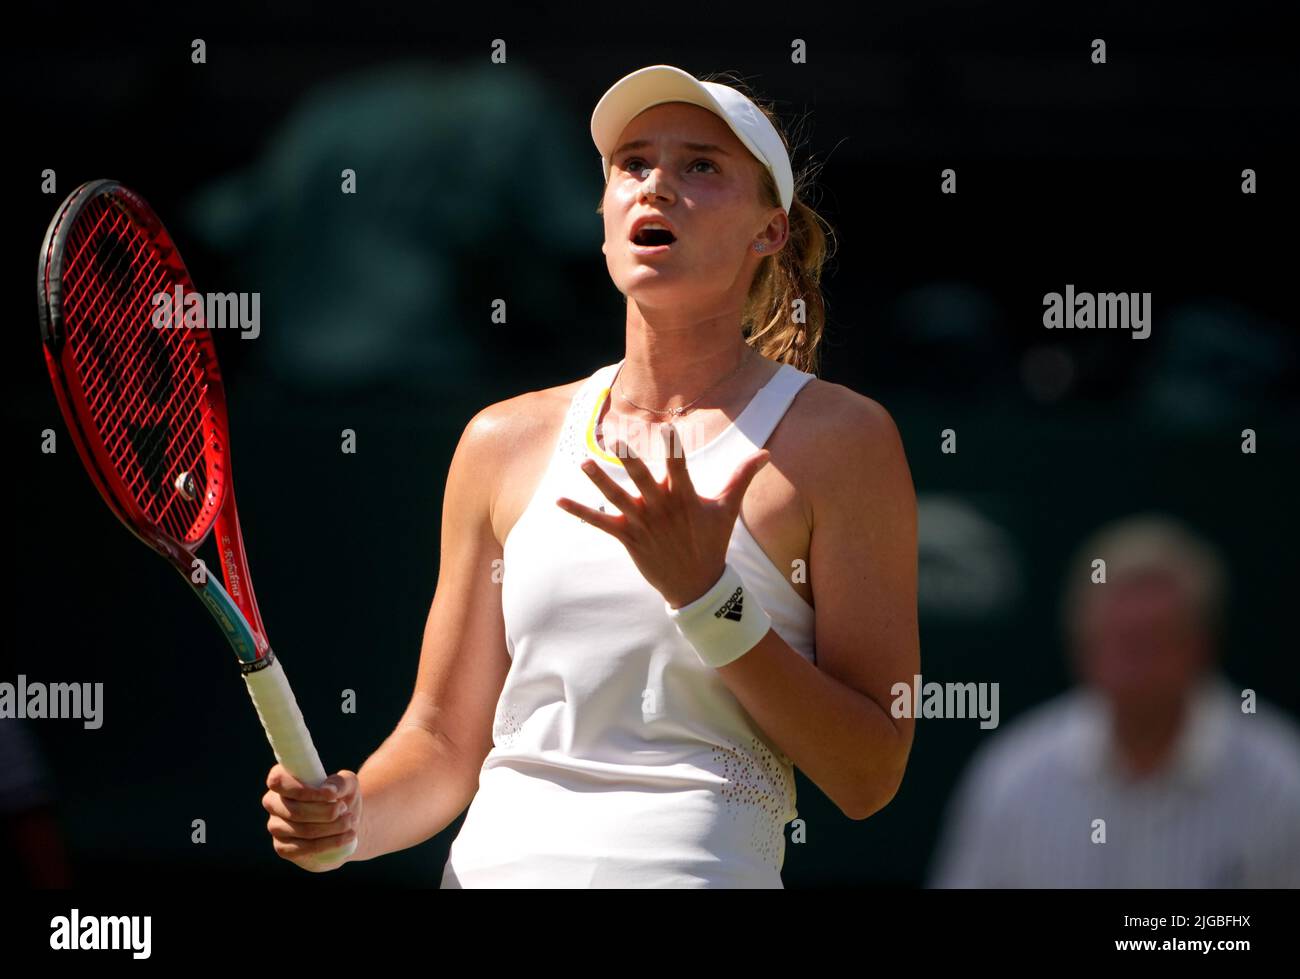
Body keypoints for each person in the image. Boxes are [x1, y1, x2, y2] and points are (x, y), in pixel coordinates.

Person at [261, 64, 919, 887]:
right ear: (604, 218)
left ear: (770, 231)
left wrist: (710, 601)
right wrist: (350, 816)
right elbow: (441, 744)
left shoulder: (843, 440)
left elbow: (869, 774)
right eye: (633, 164)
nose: (657, 187)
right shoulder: (500, 441)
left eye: (701, 167)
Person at [929, 514, 1300, 888]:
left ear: (1201, 646)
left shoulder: (1281, 780)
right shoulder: (1013, 776)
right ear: (1082, 646)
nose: (1136, 665)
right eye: (1121, 642)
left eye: (1154, 641)